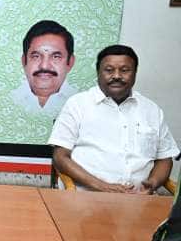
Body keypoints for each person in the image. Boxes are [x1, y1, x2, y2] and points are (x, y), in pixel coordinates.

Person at [50, 44, 179, 192]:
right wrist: (104, 187)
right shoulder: (78, 105)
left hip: (140, 199)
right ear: (98, 73)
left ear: (135, 73)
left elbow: (164, 158)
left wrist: (153, 183)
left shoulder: (152, 110)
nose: (117, 76)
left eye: (124, 70)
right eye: (109, 70)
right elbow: (60, 157)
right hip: (86, 197)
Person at [10, 20, 77, 118]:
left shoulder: (81, 103)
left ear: (70, 62)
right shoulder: (9, 100)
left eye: (56, 57)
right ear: (24, 61)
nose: (44, 66)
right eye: (36, 56)